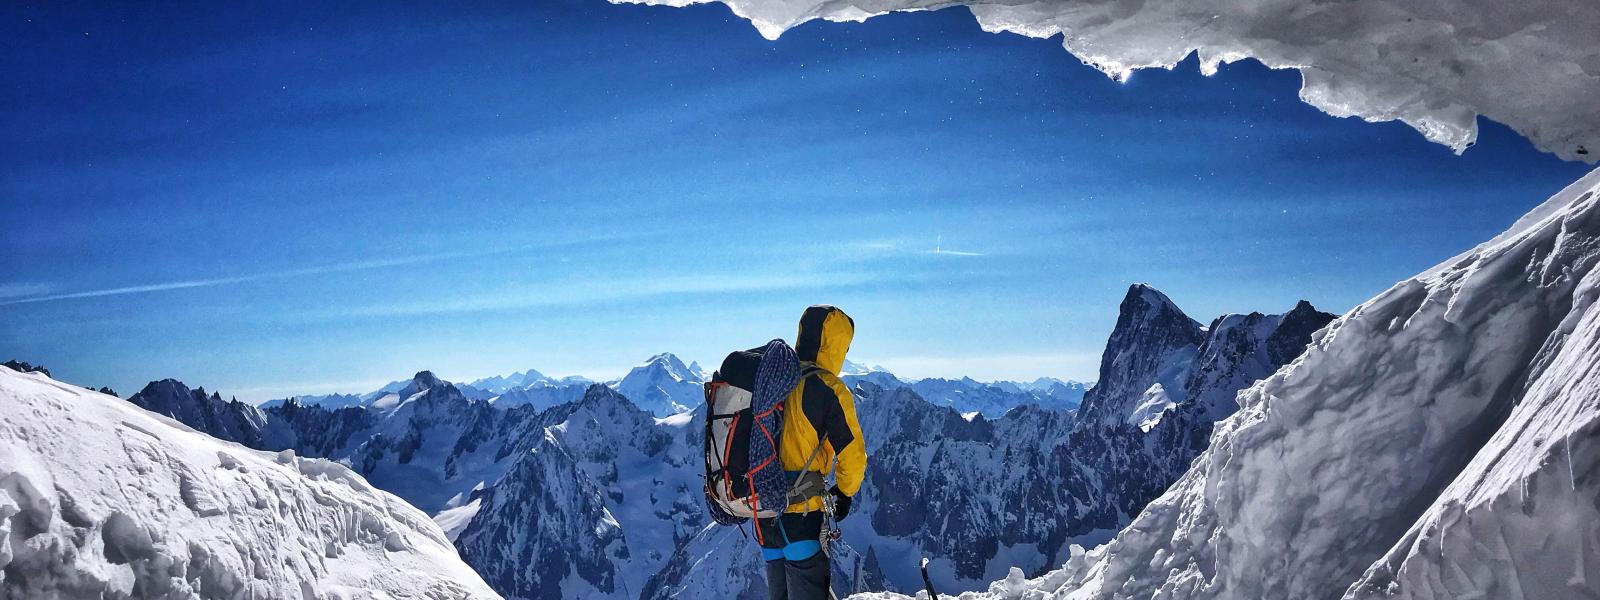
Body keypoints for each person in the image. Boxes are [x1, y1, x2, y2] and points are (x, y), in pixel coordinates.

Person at [758, 305, 867, 600]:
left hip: (765, 515)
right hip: (801, 517)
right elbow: (853, 455)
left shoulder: (774, 381)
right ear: (836, 345)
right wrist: (844, 492)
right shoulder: (827, 387)